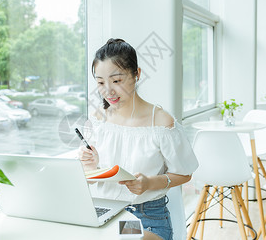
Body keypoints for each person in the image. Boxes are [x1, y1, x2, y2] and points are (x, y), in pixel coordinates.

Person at [79, 38, 199, 240]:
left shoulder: (160, 122)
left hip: (142, 216)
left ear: (137, 74)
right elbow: (91, 173)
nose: (108, 90)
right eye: (100, 82)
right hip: (100, 211)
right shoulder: (99, 118)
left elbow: (185, 174)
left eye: (116, 81)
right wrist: (92, 165)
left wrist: (150, 183)